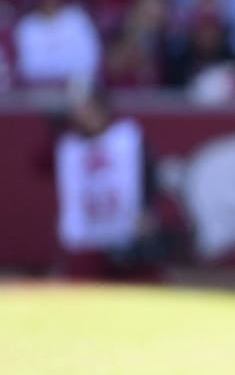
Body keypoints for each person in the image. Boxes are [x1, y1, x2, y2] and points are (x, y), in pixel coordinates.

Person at [53, 92, 162, 280]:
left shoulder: (126, 137)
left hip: (128, 229)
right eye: (82, 112)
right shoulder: (70, 147)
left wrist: (146, 209)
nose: (88, 117)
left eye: (92, 111)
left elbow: (148, 174)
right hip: (88, 233)